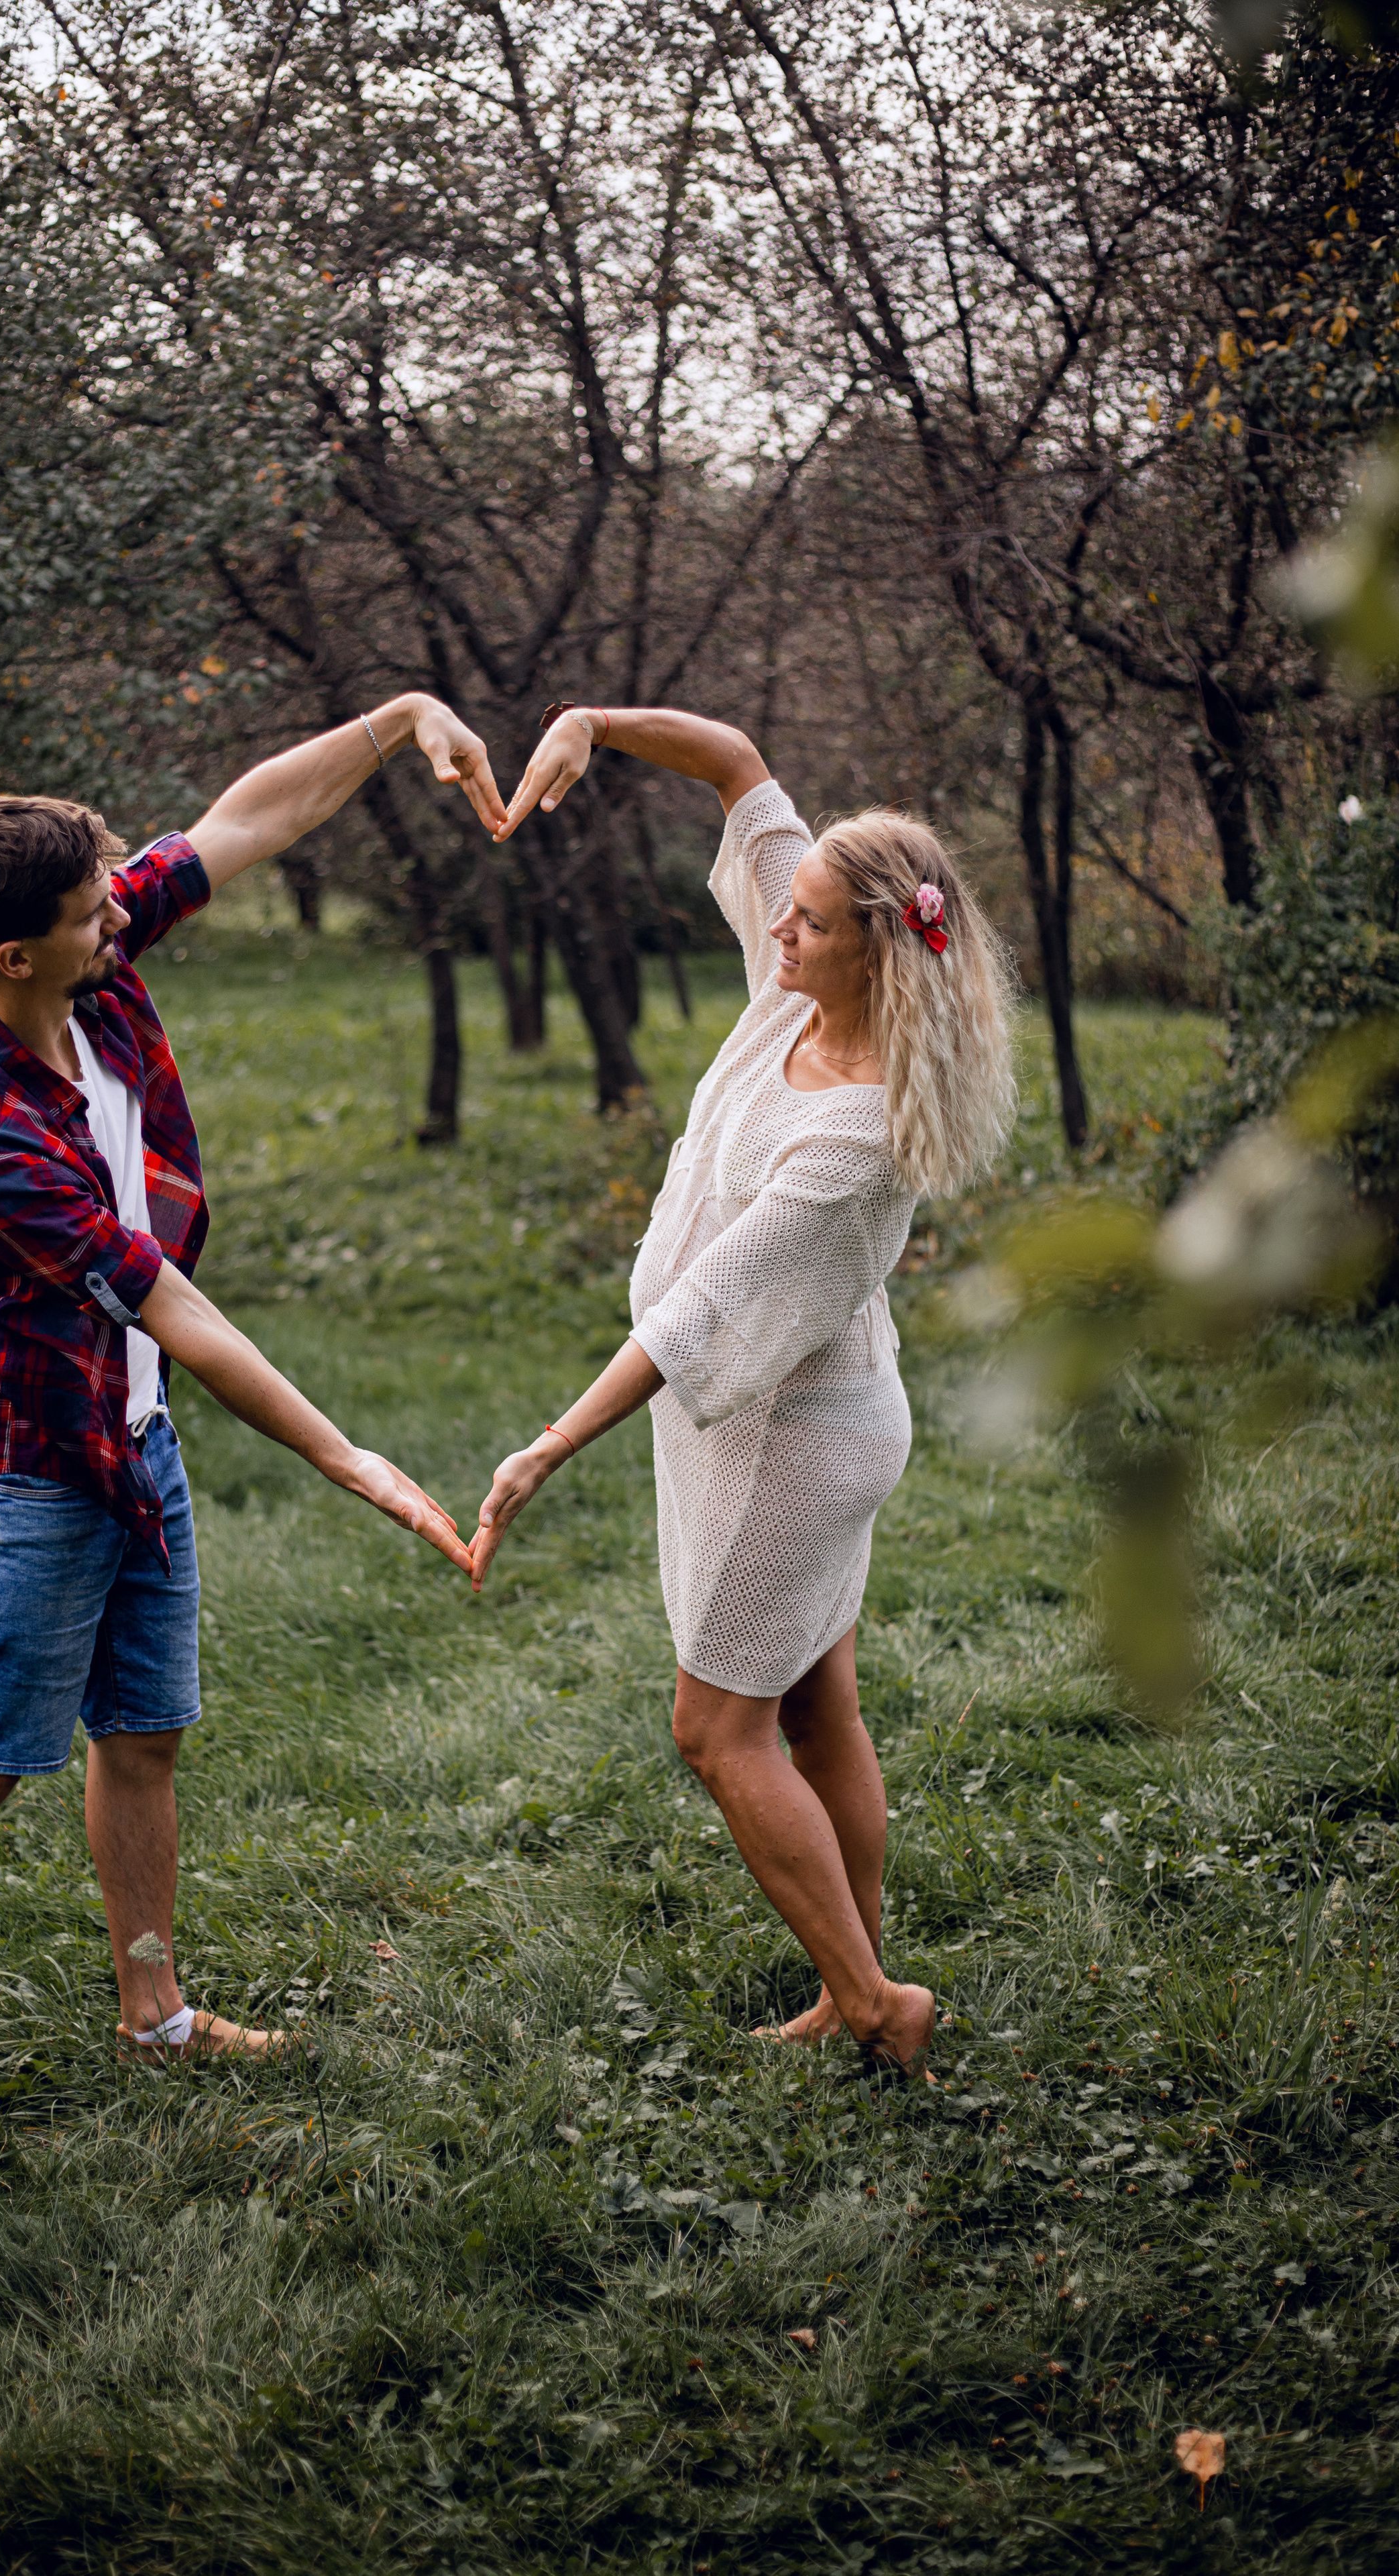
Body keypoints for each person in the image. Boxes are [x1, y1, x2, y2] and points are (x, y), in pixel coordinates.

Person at [0, 696, 502, 2153]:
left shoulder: (77, 963)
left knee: (140, 1738)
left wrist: (400, 724)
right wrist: (346, 1455)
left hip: (128, 1444)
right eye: (97, 916)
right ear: (13, 952)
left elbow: (244, 822)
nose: (122, 922)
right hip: (30, 1469)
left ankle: (153, 2015)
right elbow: (173, 1313)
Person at [470, 705, 1015, 2076]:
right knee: (813, 1703)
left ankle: (877, 2004)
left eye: (810, 921)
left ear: (876, 947)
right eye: (791, 909)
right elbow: (733, 763)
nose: (779, 930)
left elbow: (703, 1311)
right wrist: (589, 724)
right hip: (778, 1414)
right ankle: (855, 1985)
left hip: (799, 1438)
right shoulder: (807, 979)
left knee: (717, 1730)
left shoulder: (856, 1130)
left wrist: (543, 1446)